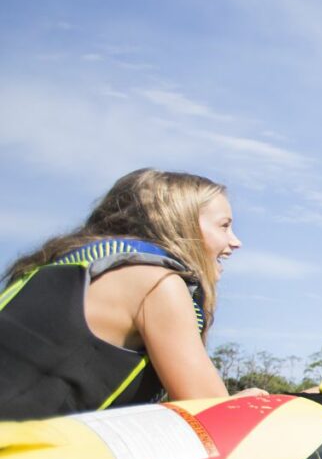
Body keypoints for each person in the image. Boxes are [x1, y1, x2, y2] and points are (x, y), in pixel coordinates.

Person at [0, 167, 253, 419]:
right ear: (181, 224)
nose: (235, 241)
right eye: (224, 226)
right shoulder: (154, 283)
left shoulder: (64, 267)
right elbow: (214, 416)